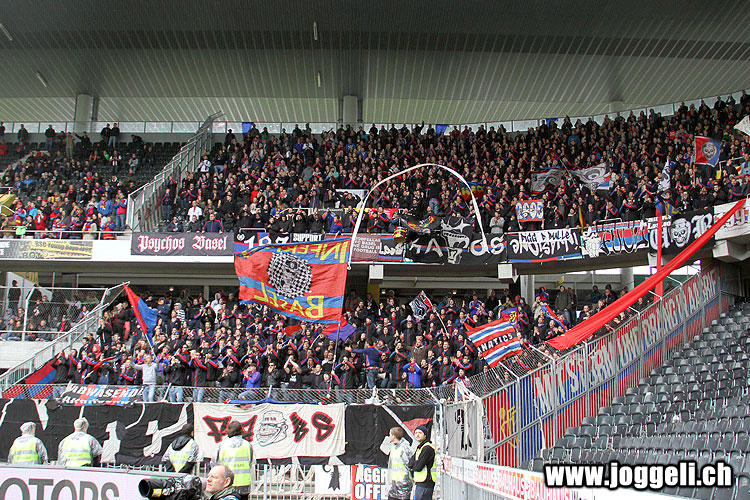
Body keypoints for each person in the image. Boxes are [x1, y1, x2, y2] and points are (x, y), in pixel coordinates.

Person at [215, 421, 253, 500]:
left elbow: (215, 463)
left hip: (227, 483)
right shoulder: (247, 445)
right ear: (241, 430)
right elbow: (251, 462)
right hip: (244, 483)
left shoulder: (222, 445)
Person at [408, 425, 436, 500]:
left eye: (420, 433)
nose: (417, 435)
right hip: (420, 482)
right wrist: (415, 464)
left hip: (426, 482)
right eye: (416, 433)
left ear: (425, 435)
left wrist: (414, 465)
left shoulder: (427, 448)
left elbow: (418, 466)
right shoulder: (420, 447)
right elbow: (410, 463)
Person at [386, 427, 413, 500]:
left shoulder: (404, 447)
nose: (389, 436)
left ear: (393, 436)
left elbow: (409, 464)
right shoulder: (393, 447)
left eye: (390, 435)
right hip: (394, 482)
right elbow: (383, 450)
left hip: (403, 482)